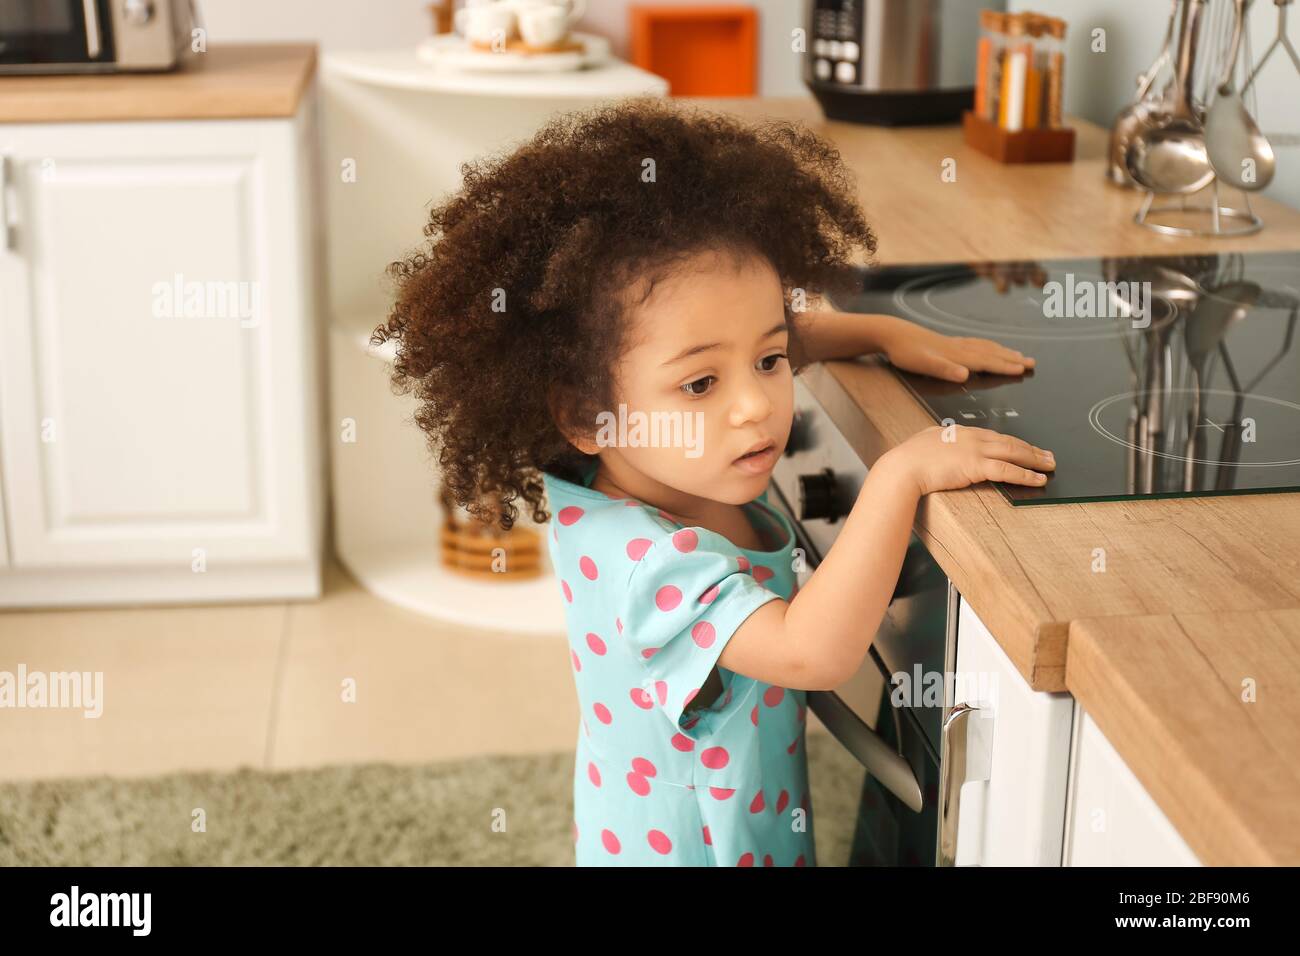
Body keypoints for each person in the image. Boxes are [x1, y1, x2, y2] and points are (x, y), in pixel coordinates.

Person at [372, 97, 1055, 866]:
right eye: (700, 385)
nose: (756, 407)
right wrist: (901, 473)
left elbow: (766, 337)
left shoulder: (668, 453)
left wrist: (885, 332)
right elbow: (812, 654)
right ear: (589, 415)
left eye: (768, 363)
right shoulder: (650, 567)